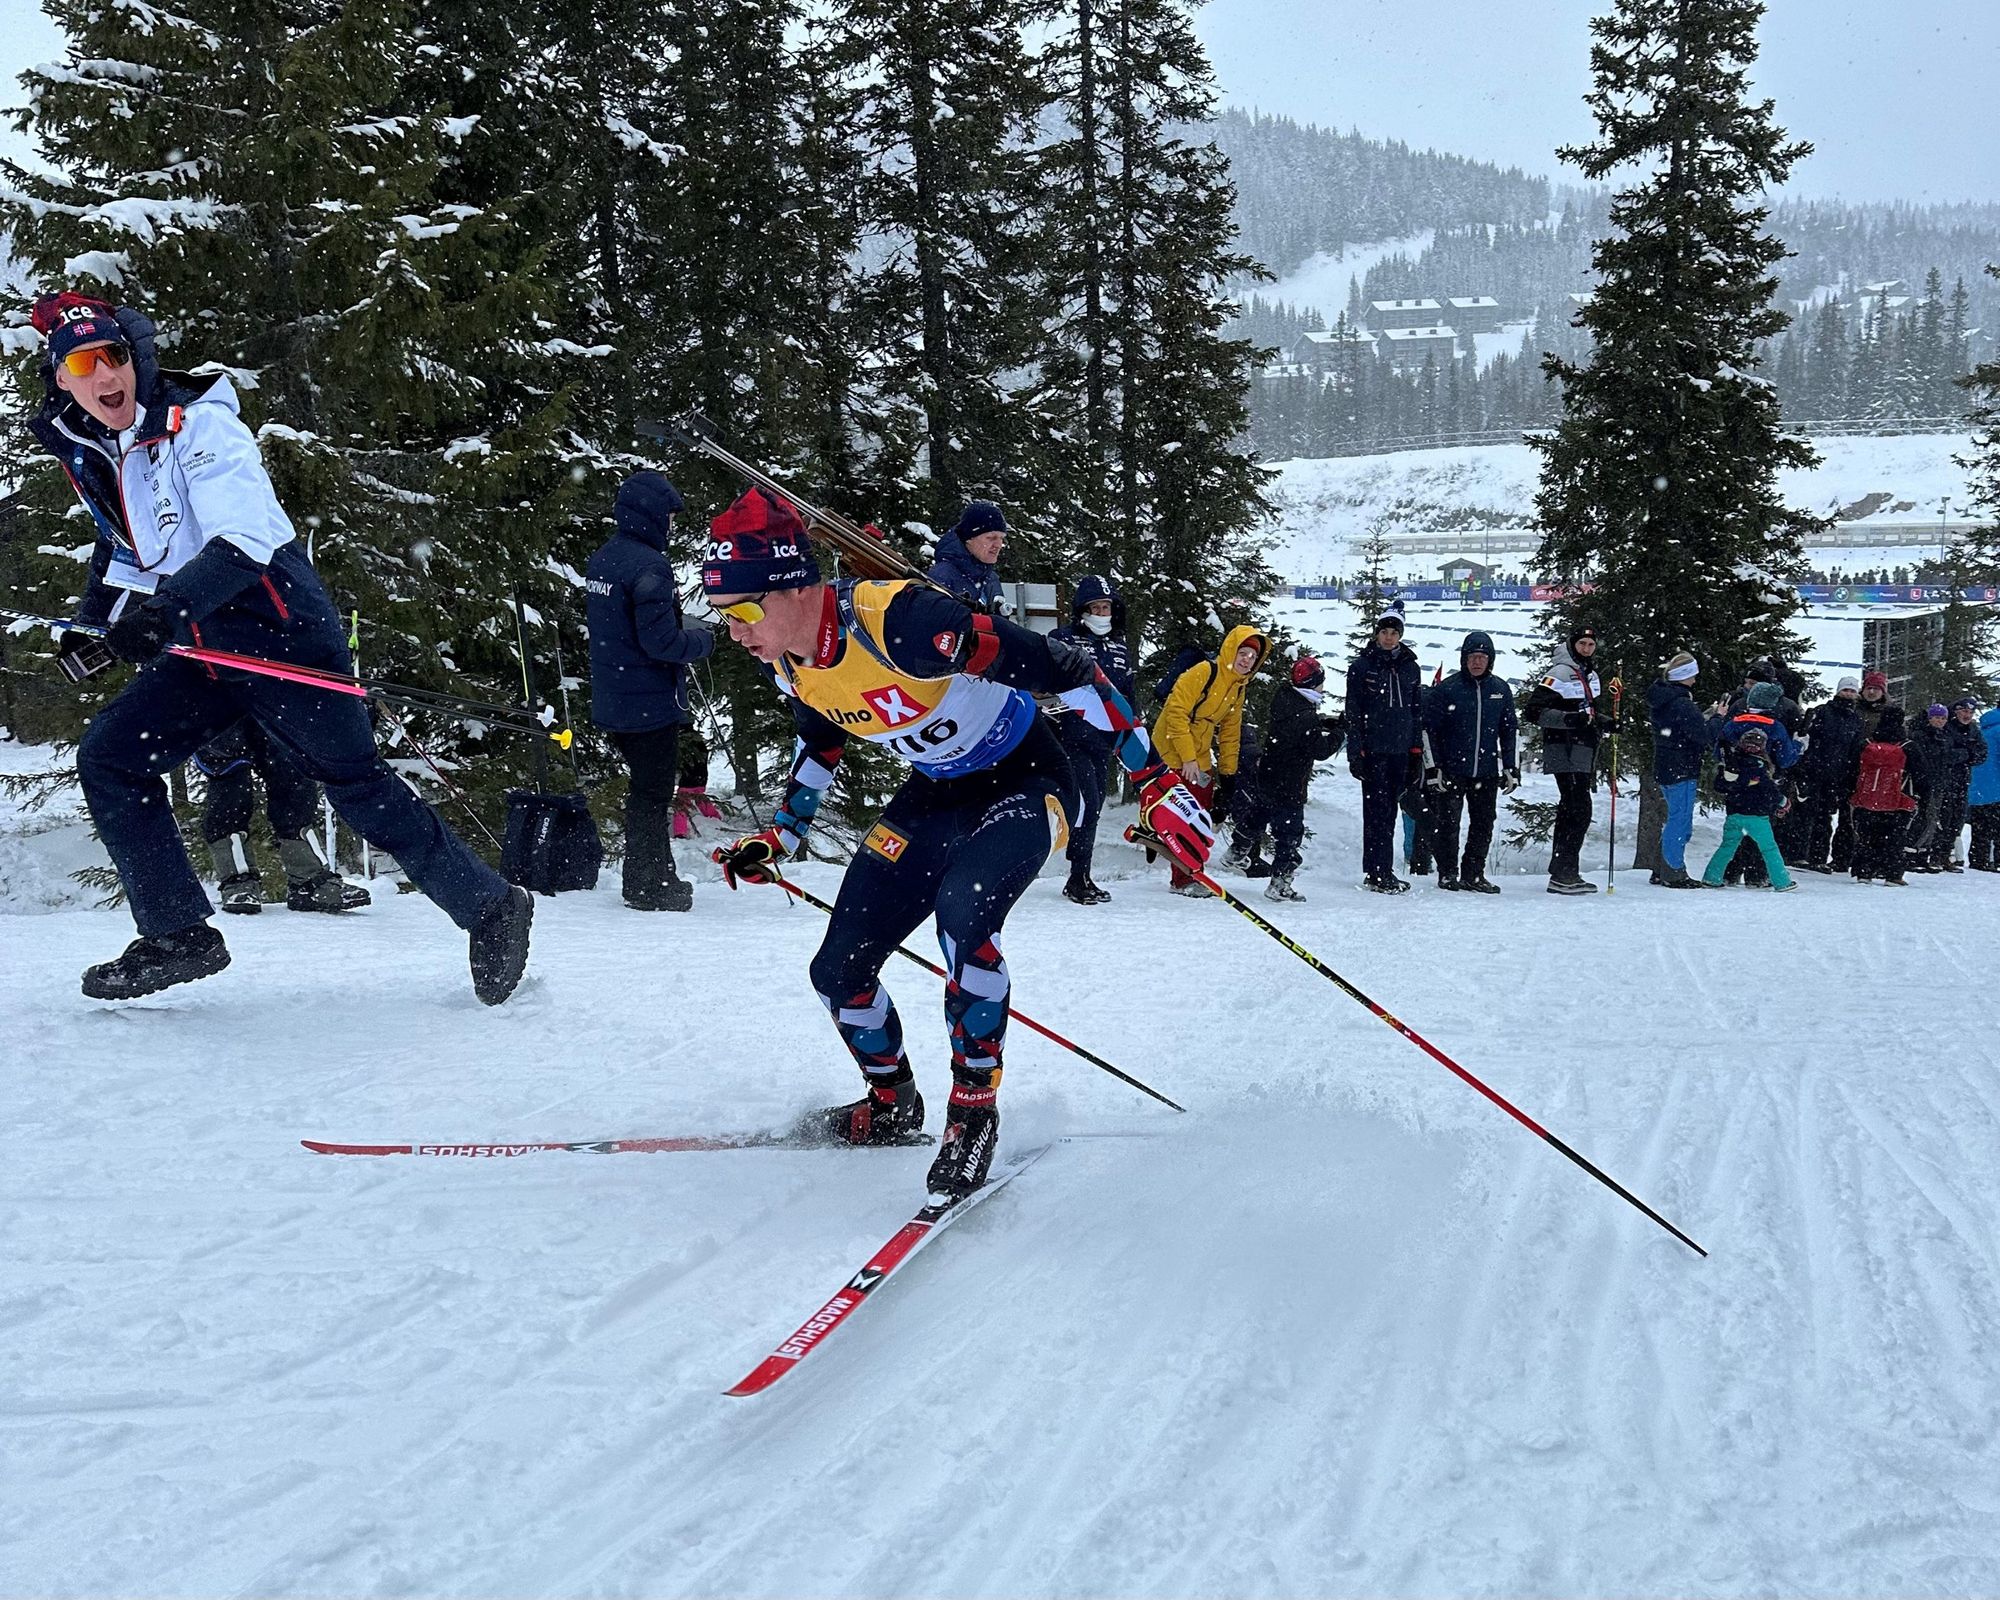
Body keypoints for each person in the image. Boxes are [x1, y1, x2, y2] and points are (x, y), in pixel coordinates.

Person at [25, 289, 531, 1002]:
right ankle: (179, 934)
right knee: (111, 757)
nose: (105, 374)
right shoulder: (99, 448)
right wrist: (93, 627)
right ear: (62, 378)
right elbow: (126, 548)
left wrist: (161, 614)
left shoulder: (200, 424)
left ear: (133, 356)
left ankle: (491, 907)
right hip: (201, 647)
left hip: (282, 633)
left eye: (113, 355)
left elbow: (242, 543)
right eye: (84, 363)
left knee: (357, 787)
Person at [702, 489, 1208, 1201]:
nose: (735, 632)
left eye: (745, 611)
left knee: (964, 918)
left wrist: (1152, 780)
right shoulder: (785, 658)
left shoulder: (903, 622)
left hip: (1027, 778)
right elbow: (820, 737)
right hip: (937, 792)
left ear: (797, 587)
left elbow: (1071, 670)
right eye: (721, 615)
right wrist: (782, 835)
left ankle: (972, 1114)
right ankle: (892, 1103)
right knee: (838, 971)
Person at [585, 471, 716, 911]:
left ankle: (653, 878)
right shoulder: (649, 566)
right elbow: (661, 643)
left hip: (615, 695)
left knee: (645, 791)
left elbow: (623, 629)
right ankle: (648, 885)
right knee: (652, 794)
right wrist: (703, 641)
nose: (672, 525)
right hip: (647, 701)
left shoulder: (605, 558)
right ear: (651, 514)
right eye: (669, 516)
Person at [194, 720, 370, 913]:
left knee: (292, 774)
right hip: (216, 710)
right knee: (230, 786)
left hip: (272, 706)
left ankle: (307, 880)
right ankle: (237, 881)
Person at [1153, 625, 1268, 896]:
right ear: (1231, 650)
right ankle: (1182, 880)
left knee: (1202, 811)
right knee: (1184, 814)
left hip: (1198, 751)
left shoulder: (1237, 687)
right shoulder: (1203, 672)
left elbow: (1230, 733)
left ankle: (1193, 872)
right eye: (1243, 653)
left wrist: (1228, 775)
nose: (1247, 660)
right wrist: (1187, 758)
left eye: (1253, 657)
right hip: (1171, 749)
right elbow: (1176, 714)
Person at [1047, 575, 1135, 904]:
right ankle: (1076, 875)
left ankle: (1081, 874)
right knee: (1087, 802)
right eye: (1095, 607)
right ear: (1082, 610)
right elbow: (1046, 682)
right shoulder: (1063, 638)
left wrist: (1130, 731)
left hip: (1103, 741)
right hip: (1068, 738)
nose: (1101, 613)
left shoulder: (1120, 646)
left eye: (1106, 607)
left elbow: (1128, 694)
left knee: (1093, 807)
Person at [1421, 629, 1519, 893]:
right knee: (1448, 823)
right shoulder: (1447, 689)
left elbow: (1510, 730)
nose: (1477, 662)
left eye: (1482, 657)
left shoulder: (1500, 689)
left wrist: (1511, 767)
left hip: (1486, 771)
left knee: (1484, 823)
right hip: (1452, 769)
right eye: (1472, 657)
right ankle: (1447, 873)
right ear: (1464, 659)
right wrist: (1433, 767)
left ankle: (1474, 874)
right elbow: (1429, 731)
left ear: (1490, 660)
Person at [1525, 624, 1614, 894]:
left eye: (1590, 645)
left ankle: (1565, 871)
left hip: (1583, 747)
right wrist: (1569, 720)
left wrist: (1604, 721)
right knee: (1578, 809)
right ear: (1572, 645)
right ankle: (1563, 872)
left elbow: (1585, 710)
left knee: (1574, 809)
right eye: (1581, 644)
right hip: (1564, 747)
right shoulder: (1560, 672)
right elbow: (1534, 711)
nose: (1586, 649)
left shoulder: (1589, 674)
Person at [1345, 607, 1423, 894]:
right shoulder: (1362, 666)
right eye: (1384, 632)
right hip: (1374, 750)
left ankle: (1381, 868)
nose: (1389, 638)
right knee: (1376, 812)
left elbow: (1416, 711)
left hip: (1401, 750)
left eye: (1393, 633)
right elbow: (1353, 711)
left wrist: (1416, 751)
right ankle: (1378, 871)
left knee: (1390, 811)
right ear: (1376, 634)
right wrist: (1356, 751)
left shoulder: (1410, 667)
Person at [1258, 656, 1346, 901]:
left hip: (1270, 777)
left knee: (1261, 817)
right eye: (1320, 683)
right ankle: (1280, 883)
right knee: (1290, 834)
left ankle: (1239, 849)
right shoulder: (1305, 714)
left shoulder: (1286, 700)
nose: (1323, 688)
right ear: (1312, 684)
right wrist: (1339, 732)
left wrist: (1323, 723)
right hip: (1291, 784)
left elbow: (1300, 729)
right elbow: (1319, 749)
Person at [1700, 692, 1801, 890]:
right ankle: (1781, 881)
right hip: (1758, 815)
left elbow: (1720, 783)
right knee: (1769, 848)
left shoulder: (1732, 757)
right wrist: (1783, 802)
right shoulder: (1760, 768)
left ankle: (1712, 877)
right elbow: (1771, 789)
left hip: (1734, 812)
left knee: (1727, 846)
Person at [1646, 651, 1709, 887]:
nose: (1695, 680)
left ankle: (1660, 868)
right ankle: (1673, 870)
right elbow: (1701, 735)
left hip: (1666, 763)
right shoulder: (1682, 703)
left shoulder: (1663, 698)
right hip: (1682, 766)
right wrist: (1716, 720)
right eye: (1692, 675)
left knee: (1675, 818)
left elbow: (1679, 727)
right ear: (1684, 675)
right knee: (1680, 821)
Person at [1794, 677, 1866, 875]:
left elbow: (1855, 749)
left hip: (1837, 775)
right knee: (1805, 812)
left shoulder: (1855, 719)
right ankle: (1798, 854)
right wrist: (1806, 765)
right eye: (1846, 690)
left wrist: (1849, 774)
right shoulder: (1822, 712)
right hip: (1813, 771)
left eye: (1852, 691)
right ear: (1838, 691)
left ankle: (1818, 857)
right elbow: (1807, 738)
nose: (1848, 694)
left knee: (1825, 816)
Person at [1849, 707, 1917, 885]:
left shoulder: (1866, 743)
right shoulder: (1907, 746)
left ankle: (1864, 872)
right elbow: (1922, 774)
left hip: (1866, 798)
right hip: (1897, 800)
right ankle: (1893, 875)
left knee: (1867, 837)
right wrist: (1918, 795)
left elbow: (1851, 768)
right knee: (1895, 837)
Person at [1932, 699, 1989, 871]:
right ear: (1956, 712)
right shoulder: (1947, 727)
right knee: (1942, 817)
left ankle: (1945, 855)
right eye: (1964, 711)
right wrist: (1966, 754)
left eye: (1970, 713)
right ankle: (1935, 854)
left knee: (1957, 820)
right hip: (1945, 779)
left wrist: (1966, 755)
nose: (1967, 716)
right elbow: (1944, 754)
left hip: (1963, 779)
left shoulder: (1973, 730)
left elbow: (1982, 753)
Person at [925, 500, 1009, 613]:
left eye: (1001, 538)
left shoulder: (990, 578)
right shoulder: (942, 576)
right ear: (969, 539)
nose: (998, 545)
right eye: (991, 538)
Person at [1902, 705, 1952, 873]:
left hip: (1939, 782)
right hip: (1922, 782)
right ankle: (1910, 853)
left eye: (1943, 718)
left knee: (1932, 819)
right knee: (1920, 817)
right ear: (1929, 718)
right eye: (1937, 717)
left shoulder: (1945, 737)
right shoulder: (1920, 735)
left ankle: (1923, 853)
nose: (1940, 721)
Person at [1967, 703, 2000, 872]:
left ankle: (1979, 859)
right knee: (1996, 827)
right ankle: (1995, 860)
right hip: (1997, 786)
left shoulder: (1985, 727)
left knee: (1981, 826)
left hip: (1977, 786)